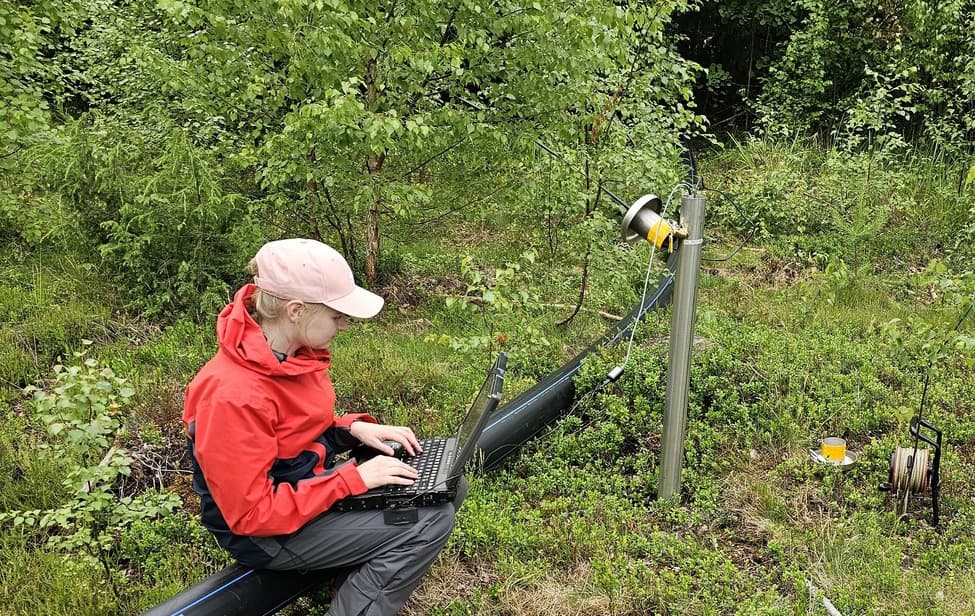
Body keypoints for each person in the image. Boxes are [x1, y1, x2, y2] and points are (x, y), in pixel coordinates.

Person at [183, 238, 467, 615]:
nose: (344, 326)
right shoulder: (232, 396)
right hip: (265, 533)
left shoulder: (290, 355)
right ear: (296, 310)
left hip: (303, 489)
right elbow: (253, 515)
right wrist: (355, 480)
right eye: (336, 316)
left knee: (448, 483)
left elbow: (289, 432)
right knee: (429, 520)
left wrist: (350, 430)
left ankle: (350, 577)